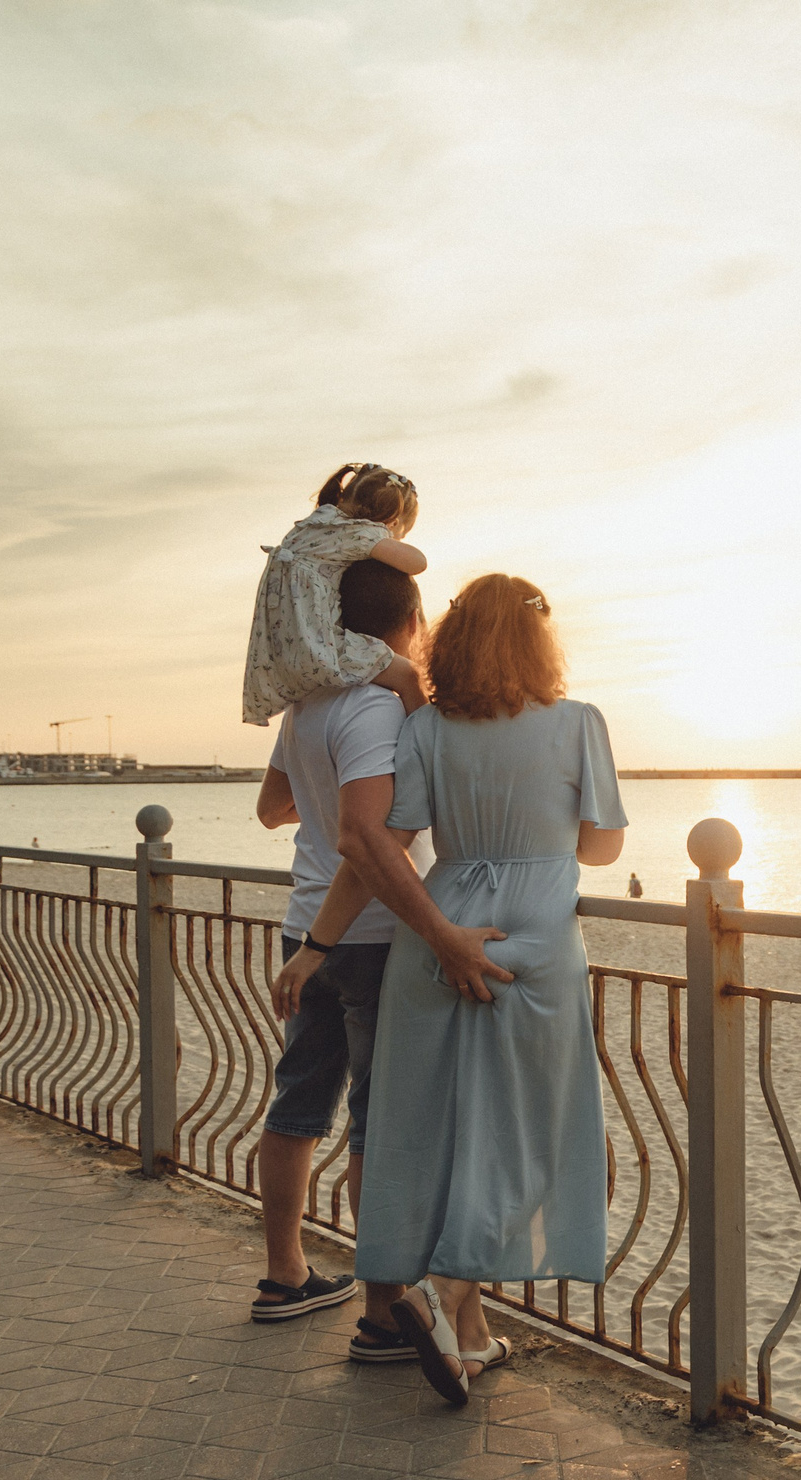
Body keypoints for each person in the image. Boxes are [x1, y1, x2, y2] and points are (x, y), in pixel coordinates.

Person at [291, 572, 626, 1404]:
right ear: (539, 642)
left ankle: (463, 1328)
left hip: (435, 935)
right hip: (534, 945)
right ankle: (456, 1307)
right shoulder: (580, 723)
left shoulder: (428, 730)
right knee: (518, 1133)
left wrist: (314, 946)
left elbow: (376, 849)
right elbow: (601, 850)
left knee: (438, 1129)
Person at [247, 561, 498, 1356]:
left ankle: (284, 1275)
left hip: (304, 927)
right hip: (369, 940)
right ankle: (385, 1312)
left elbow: (271, 809)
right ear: (408, 623)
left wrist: (322, 796)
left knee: (297, 1105)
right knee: (379, 1127)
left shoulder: (307, 705)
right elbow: (371, 839)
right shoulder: (377, 708)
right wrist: (438, 930)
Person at [242, 462, 432, 727]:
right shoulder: (358, 534)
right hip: (322, 649)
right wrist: (391, 541)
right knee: (409, 676)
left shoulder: (312, 527)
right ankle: (426, 739)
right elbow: (418, 562)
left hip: (289, 650)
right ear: (392, 522)